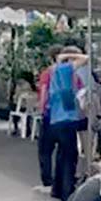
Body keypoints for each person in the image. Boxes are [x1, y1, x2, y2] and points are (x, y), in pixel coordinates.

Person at [47, 46, 89, 201]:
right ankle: (67, 191)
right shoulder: (66, 69)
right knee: (70, 157)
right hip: (67, 119)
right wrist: (71, 54)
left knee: (61, 155)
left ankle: (57, 189)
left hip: (56, 119)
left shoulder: (54, 70)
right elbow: (86, 59)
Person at [35, 45, 64, 192]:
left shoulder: (48, 73)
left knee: (45, 150)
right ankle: (61, 180)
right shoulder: (69, 72)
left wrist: (42, 108)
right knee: (63, 150)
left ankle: (47, 180)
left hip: (50, 113)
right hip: (65, 116)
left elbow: (44, 91)